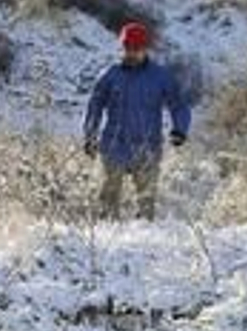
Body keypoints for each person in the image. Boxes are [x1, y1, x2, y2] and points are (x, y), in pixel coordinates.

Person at [81, 21, 192, 222]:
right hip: (114, 146)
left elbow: (178, 104)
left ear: (145, 49)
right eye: (127, 48)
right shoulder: (110, 75)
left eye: (136, 49)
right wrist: (90, 136)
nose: (131, 53)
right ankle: (107, 240)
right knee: (108, 198)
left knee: (146, 202)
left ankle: (144, 242)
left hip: (147, 147)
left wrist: (180, 129)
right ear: (122, 48)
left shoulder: (160, 77)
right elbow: (95, 106)